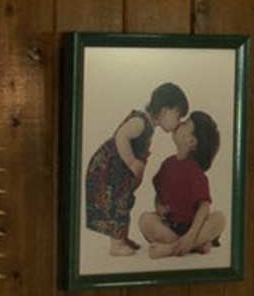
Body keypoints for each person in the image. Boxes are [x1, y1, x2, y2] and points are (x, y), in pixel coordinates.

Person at [82, 82, 192, 253]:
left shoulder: (148, 125)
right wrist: (132, 162)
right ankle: (116, 245)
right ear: (164, 110)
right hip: (107, 169)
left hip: (118, 171)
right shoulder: (140, 122)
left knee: (125, 202)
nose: (179, 122)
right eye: (178, 116)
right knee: (117, 203)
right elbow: (121, 136)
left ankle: (122, 238)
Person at [139, 108, 228, 260]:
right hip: (171, 227)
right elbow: (158, 196)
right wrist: (159, 208)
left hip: (194, 227)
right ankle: (193, 246)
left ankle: (173, 248)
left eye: (186, 123)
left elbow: (204, 207)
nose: (180, 122)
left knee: (220, 219)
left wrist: (192, 234)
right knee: (145, 220)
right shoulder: (167, 164)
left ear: (191, 141)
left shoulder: (194, 170)